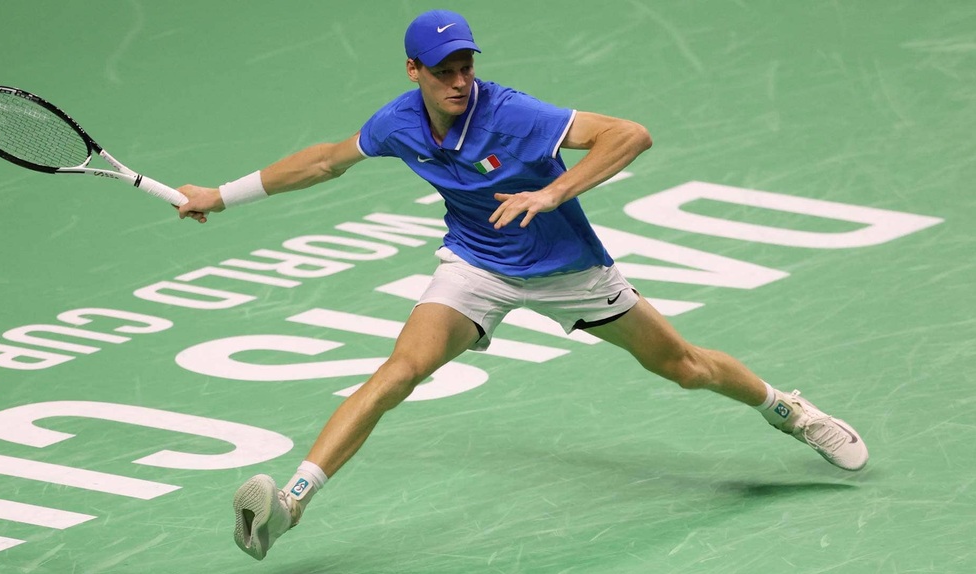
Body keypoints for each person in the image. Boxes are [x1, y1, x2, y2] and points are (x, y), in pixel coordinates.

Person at [176, 10, 869, 561]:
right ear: (413, 70)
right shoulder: (398, 122)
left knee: (684, 368)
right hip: (476, 266)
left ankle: (789, 410)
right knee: (398, 372)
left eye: (466, 66)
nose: (458, 81)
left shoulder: (512, 112)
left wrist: (552, 192)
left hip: (567, 269)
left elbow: (629, 134)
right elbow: (326, 162)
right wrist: (220, 194)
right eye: (443, 70)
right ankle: (292, 503)